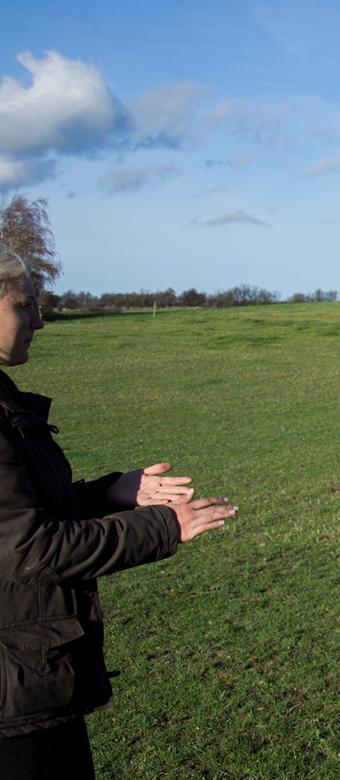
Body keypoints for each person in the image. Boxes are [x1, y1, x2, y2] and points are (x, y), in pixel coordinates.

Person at [0, 245, 237, 779]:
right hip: (11, 702)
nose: (40, 320)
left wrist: (114, 493)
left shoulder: (2, 396)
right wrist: (163, 526)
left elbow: (21, 515)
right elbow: (30, 548)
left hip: (30, 677)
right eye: (24, 305)